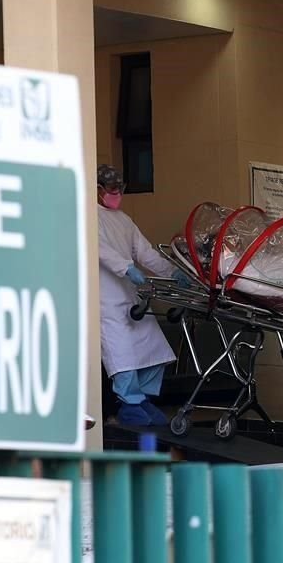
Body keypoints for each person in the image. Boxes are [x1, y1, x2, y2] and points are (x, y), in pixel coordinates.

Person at [97, 164, 186, 426]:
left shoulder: (124, 220)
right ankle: (129, 404)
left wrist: (172, 272)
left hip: (130, 296)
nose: (116, 194)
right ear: (98, 189)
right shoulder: (87, 215)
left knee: (153, 348)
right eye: (111, 189)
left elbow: (145, 252)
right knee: (121, 354)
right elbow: (100, 250)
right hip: (106, 300)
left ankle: (143, 399)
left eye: (119, 189)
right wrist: (126, 268)